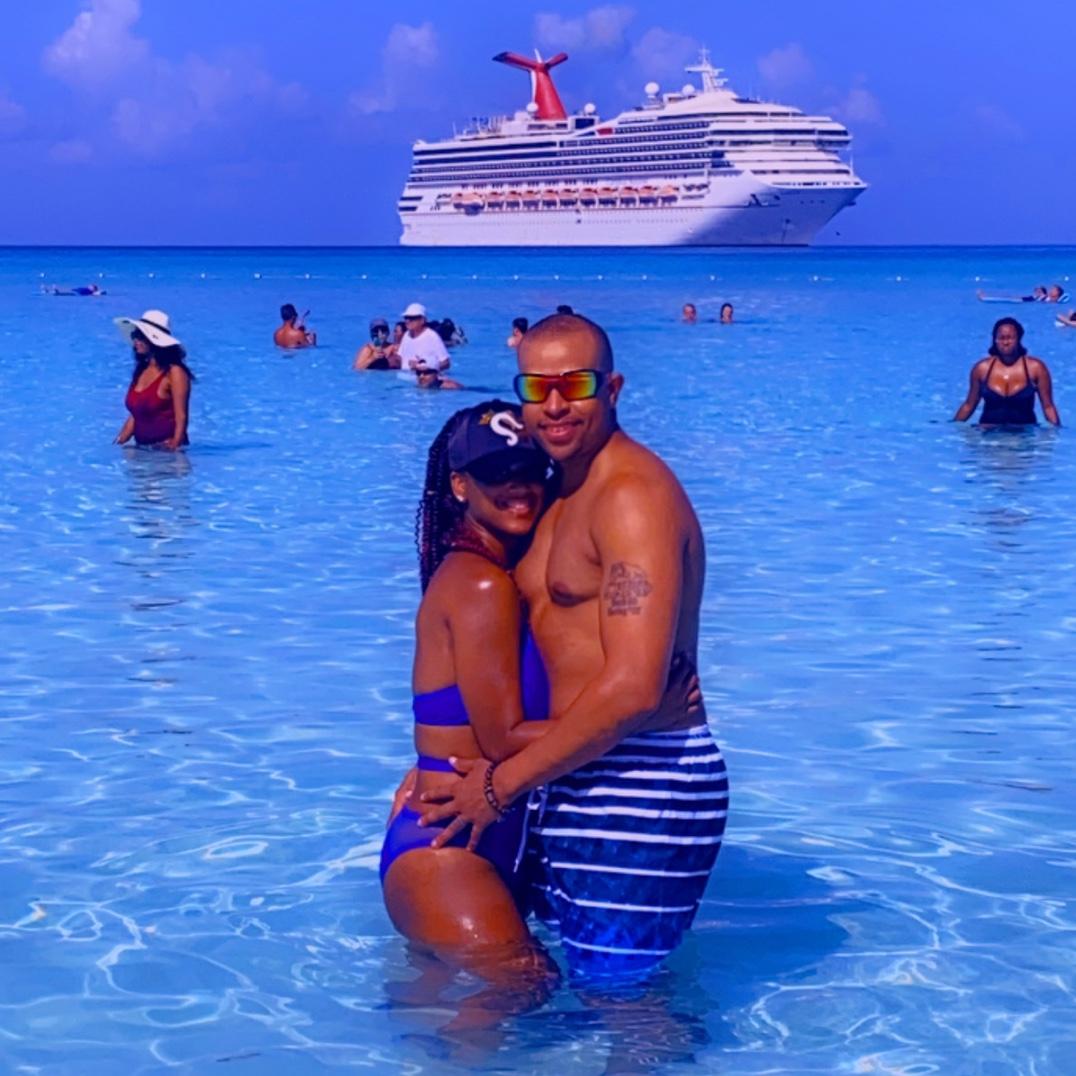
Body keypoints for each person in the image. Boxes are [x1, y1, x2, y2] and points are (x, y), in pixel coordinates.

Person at [418, 313, 728, 980]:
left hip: (640, 775)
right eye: (538, 388)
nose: (555, 405)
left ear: (612, 388)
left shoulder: (630, 497)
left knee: (625, 1003)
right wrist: (440, 762)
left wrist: (498, 788)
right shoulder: (557, 491)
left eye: (575, 384)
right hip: (568, 768)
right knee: (578, 990)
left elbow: (635, 688)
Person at [382, 401, 698, 995]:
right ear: (459, 486)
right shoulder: (482, 584)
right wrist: (640, 715)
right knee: (523, 987)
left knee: (453, 1015)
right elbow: (502, 738)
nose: (518, 487)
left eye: (528, 470)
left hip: (485, 836)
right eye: (496, 475)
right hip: (447, 847)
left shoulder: (497, 574)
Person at [953, 317, 1060, 427]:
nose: (1005, 342)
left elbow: (1048, 407)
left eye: (1010, 338)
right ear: (995, 340)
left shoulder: (1036, 368)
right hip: (988, 433)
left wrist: (1057, 430)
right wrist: (952, 428)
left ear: (1019, 339)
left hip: (1024, 434)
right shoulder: (981, 369)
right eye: (1001, 338)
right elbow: (969, 405)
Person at [113, 310, 194, 449]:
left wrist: (174, 446)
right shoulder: (141, 370)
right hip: (142, 450)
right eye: (134, 335)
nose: (135, 341)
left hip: (167, 452)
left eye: (140, 336)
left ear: (154, 340)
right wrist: (117, 444)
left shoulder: (174, 372)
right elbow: (137, 414)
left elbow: (181, 417)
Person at [398, 302, 451, 376]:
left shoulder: (432, 336)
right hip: (404, 379)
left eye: (412, 318)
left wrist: (426, 366)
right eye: (406, 318)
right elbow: (401, 358)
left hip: (423, 380)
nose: (407, 321)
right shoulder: (406, 335)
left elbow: (446, 363)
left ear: (422, 320)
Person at [977, 285, 1046, 303]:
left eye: (1038, 290)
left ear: (1042, 292)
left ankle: (984, 298)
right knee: (1005, 297)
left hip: (1021, 301)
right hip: (1021, 300)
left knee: (1004, 298)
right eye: (1036, 290)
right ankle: (984, 297)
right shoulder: (1036, 296)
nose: (1036, 291)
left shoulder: (1042, 297)